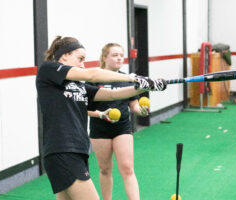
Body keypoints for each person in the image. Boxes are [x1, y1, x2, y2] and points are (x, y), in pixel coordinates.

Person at [36, 36, 166, 200]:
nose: (83, 64)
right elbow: (92, 75)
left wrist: (145, 87)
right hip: (63, 149)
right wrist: (132, 77)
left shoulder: (79, 86)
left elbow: (112, 95)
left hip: (78, 151)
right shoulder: (48, 70)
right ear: (64, 56)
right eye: (80, 59)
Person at [88, 43, 148, 200]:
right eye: (115, 55)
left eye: (121, 55)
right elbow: (85, 108)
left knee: (128, 169)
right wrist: (101, 114)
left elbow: (133, 104)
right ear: (104, 58)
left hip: (122, 128)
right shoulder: (93, 79)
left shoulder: (127, 79)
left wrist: (140, 110)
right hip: (100, 129)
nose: (119, 58)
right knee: (105, 169)